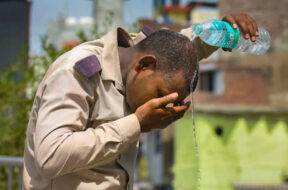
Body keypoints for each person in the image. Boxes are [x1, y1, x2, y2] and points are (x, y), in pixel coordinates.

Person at [23, 13, 259, 190]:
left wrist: (224, 31)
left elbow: (181, 45)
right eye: (160, 93)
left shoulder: (141, 56)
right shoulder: (76, 72)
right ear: (144, 65)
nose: (163, 104)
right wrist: (136, 124)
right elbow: (50, 156)